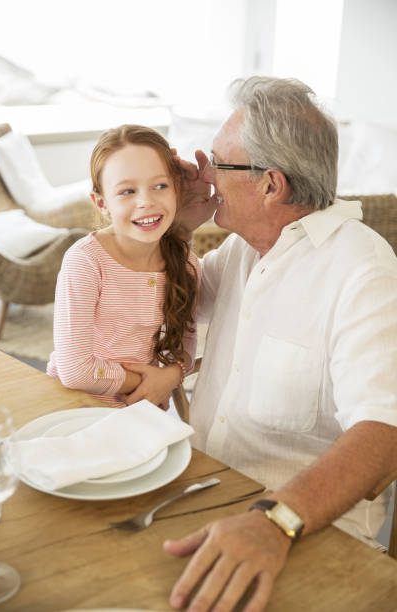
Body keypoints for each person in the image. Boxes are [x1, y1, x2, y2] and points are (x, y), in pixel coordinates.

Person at [163, 76, 397, 611]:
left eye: (218, 164)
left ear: (271, 184)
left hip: (304, 534)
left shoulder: (363, 272)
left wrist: (275, 520)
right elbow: (166, 309)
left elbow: (384, 433)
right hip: (204, 497)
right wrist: (177, 225)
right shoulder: (244, 250)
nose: (205, 175)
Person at [47, 125, 199, 408]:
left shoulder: (186, 262)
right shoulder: (86, 261)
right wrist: (148, 382)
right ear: (101, 203)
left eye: (160, 186)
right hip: (74, 407)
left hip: (141, 408)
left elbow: (187, 343)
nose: (146, 202)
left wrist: (171, 376)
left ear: (177, 189)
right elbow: (75, 369)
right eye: (127, 191)